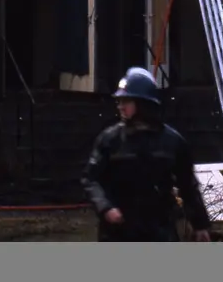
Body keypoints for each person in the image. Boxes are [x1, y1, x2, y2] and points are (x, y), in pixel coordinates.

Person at [81, 66, 212, 242]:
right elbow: (91, 179)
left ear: (143, 104)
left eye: (125, 101)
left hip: (159, 231)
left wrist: (200, 224)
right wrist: (105, 207)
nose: (120, 106)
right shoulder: (110, 140)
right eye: (118, 102)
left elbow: (188, 185)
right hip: (118, 232)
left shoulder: (172, 142)